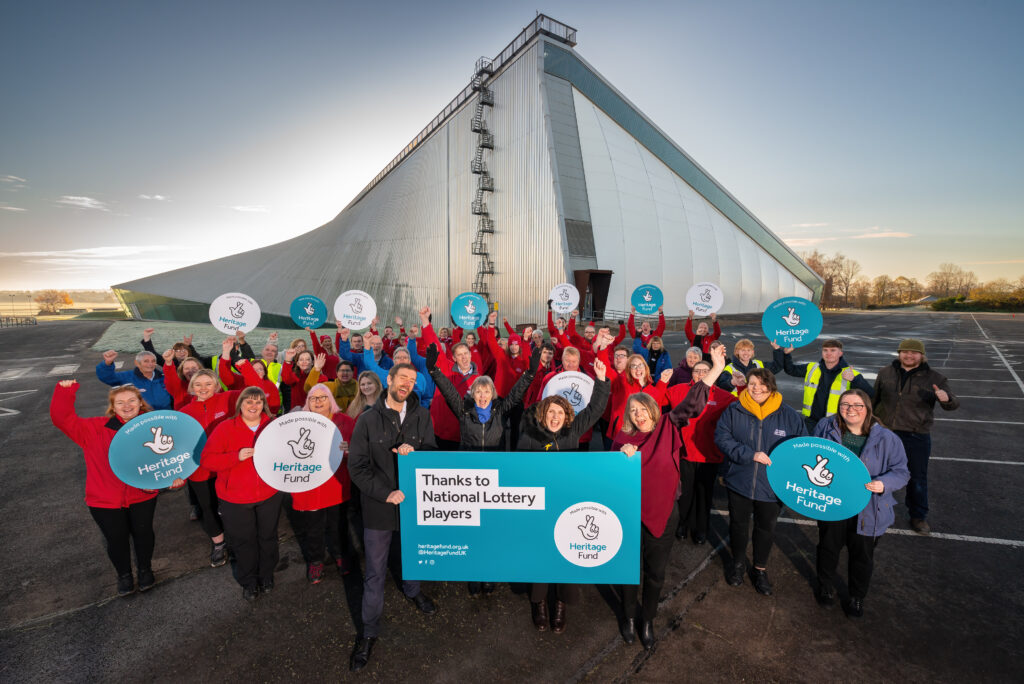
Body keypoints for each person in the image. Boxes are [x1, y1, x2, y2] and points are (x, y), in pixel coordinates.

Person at [614, 344, 727, 648]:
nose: (638, 415)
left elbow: (692, 403)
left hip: (664, 513)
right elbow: (608, 479)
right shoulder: (621, 438)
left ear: (653, 410)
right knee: (627, 570)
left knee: (655, 573)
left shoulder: (668, 425)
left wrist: (715, 368)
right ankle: (628, 616)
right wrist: (620, 457)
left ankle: (647, 619)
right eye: (633, 411)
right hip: (628, 513)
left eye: (643, 410)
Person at [50, 381, 183, 596]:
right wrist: (65, 392)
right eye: (120, 402)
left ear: (141, 403)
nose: (127, 405)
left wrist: (176, 478)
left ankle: (145, 569)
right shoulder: (94, 428)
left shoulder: (153, 429)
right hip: (104, 499)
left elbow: (171, 459)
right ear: (113, 406)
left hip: (142, 496)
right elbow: (61, 419)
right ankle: (124, 575)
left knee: (144, 534)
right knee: (116, 539)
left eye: (132, 400)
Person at [427, 344, 539, 595]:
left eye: (487, 391)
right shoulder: (464, 410)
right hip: (468, 480)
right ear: (473, 392)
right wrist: (434, 370)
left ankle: (489, 573)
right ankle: (474, 572)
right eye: (479, 391)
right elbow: (447, 390)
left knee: (491, 528)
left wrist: (530, 374)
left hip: (495, 480)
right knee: (471, 529)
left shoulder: (500, 411)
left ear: (492, 393)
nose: (483, 395)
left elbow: (517, 393)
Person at [347, 363, 438, 672]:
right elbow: (357, 467)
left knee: (412, 556)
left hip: (414, 506)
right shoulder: (367, 420)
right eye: (403, 378)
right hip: (379, 507)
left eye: (413, 380)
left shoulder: (422, 416)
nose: (407, 384)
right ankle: (369, 633)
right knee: (374, 572)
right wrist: (386, 493)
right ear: (389, 379)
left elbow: (433, 454)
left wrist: (420, 451)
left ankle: (413, 591)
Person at [517, 360, 611, 634]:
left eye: (560, 413)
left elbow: (595, 409)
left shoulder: (572, 432)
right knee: (541, 555)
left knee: (565, 554)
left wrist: (602, 380)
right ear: (543, 414)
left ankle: (560, 603)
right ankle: (540, 604)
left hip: (567, 506)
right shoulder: (529, 438)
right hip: (538, 506)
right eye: (551, 412)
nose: (555, 417)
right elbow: (520, 474)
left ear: (567, 416)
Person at [813, 389, 910, 617]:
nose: (851, 409)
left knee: (862, 556)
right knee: (828, 549)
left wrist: (884, 483)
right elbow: (811, 454)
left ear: (867, 408)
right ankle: (825, 588)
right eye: (845, 404)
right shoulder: (826, 427)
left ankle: (857, 597)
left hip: (869, 508)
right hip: (833, 503)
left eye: (857, 405)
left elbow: (901, 472)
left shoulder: (887, 438)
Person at [715, 368, 807, 596]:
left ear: (771, 386)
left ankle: (759, 569)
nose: (756, 388)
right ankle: (737, 564)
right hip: (740, 480)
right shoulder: (735, 409)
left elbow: (801, 447)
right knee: (738, 525)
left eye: (761, 384)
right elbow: (722, 438)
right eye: (752, 383)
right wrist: (749, 454)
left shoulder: (789, 415)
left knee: (766, 528)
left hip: (772, 486)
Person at [202, 387, 284, 600]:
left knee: (268, 538)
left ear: (263, 405)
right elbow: (207, 460)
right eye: (249, 402)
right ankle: (249, 581)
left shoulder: (274, 426)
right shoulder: (225, 427)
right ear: (240, 404)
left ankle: (266, 575)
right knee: (243, 541)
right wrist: (234, 457)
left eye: (258, 402)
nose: (253, 406)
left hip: (269, 494)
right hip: (235, 498)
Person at [871, 339, 959, 535]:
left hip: (915, 435)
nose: (909, 356)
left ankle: (918, 516)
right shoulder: (885, 372)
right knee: (876, 473)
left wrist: (947, 399)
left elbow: (952, 404)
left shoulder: (935, 378)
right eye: (905, 352)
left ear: (921, 355)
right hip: (884, 432)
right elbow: (873, 399)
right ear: (899, 353)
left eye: (914, 353)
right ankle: (874, 510)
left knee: (916, 478)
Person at [291, 384, 357, 581]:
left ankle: (340, 556)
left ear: (331, 400)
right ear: (307, 403)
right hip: (310, 487)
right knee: (313, 527)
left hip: (336, 484)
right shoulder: (298, 423)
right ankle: (316, 561)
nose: (318, 401)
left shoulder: (345, 421)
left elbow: (359, 450)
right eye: (313, 398)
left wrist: (349, 450)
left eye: (323, 397)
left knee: (338, 524)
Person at [669, 357, 736, 543]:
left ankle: (701, 529)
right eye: (697, 371)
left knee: (704, 494)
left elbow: (742, 406)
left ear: (712, 374)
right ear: (692, 374)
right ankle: (681, 524)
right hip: (684, 453)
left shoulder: (723, 396)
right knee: (685, 493)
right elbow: (658, 400)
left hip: (709, 456)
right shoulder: (678, 390)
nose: (700, 374)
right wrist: (661, 382)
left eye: (705, 371)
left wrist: (743, 386)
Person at [179, 369, 240, 567]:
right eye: (198, 384)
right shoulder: (183, 413)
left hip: (227, 465)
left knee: (231, 507)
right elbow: (177, 445)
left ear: (216, 385)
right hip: (200, 470)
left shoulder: (229, 399)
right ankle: (219, 544)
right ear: (191, 387)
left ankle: (237, 541)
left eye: (208, 384)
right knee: (209, 508)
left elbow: (257, 389)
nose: (203, 388)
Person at [779, 339, 873, 433]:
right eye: (825, 350)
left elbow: (871, 394)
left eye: (833, 350)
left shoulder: (851, 374)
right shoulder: (812, 368)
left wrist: (854, 380)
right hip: (811, 422)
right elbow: (791, 370)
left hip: (836, 423)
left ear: (840, 353)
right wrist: (786, 355)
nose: (828, 353)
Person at [95, 350, 173, 410]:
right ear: (137, 363)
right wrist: (108, 363)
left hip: (165, 416)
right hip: (140, 419)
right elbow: (107, 377)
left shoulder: (164, 377)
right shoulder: (127, 377)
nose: (150, 364)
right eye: (146, 361)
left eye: (153, 361)